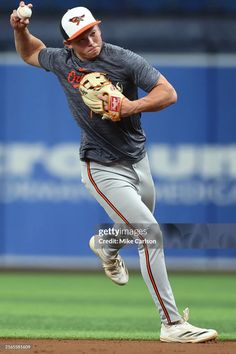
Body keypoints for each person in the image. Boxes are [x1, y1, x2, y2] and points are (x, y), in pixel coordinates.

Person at [10, 2, 218, 343]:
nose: (90, 40)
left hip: (138, 160)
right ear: (69, 44)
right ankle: (172, 324)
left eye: (92, 31)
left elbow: (169, 93)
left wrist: (131, 107)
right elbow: (31, 52)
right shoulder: (62, 62)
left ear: (99, 27)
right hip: (100, 166)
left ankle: (105, 245)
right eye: (80, 37)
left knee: (136, 224)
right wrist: (19, 30)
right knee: (150, 233)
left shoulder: (123, 59)